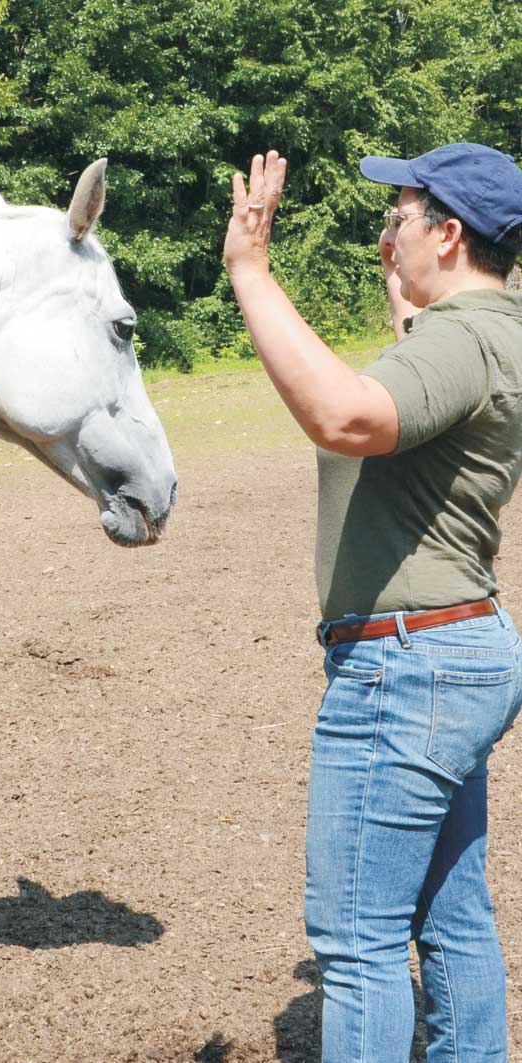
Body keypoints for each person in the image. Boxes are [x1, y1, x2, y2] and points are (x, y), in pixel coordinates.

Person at [223, 142, 522, 1061]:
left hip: (406, 666)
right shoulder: (490, 332)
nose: (385, 232)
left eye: (398, 215)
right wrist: (409, 312)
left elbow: (347, 417)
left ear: (449, 231)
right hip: (452, 652)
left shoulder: (464, 342)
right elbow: (419, 416)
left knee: (358, 943)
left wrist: (251, 272)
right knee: (450, 916)